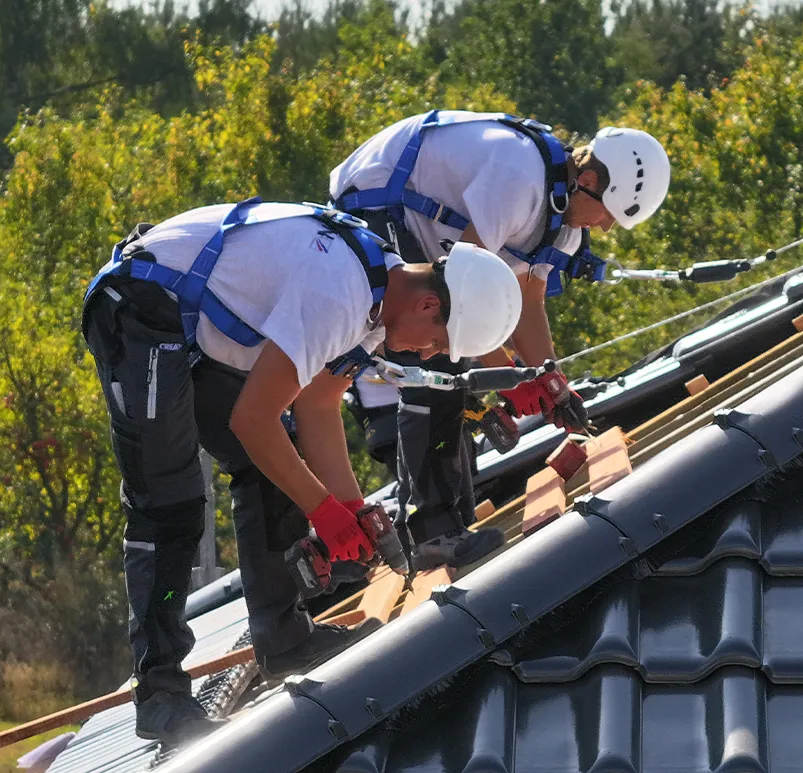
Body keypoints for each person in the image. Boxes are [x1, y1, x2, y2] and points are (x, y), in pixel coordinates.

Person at [80, 198, 522, 746]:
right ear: (430, 304)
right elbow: (251, 419)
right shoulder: (340, 293)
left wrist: (352, 510)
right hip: (140, 308)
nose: (425, 351)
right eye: (437, 342)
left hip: (186, 325)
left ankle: (284, 638)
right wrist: (323, 511)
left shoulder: (378, 300)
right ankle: (161, 695)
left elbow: (316, 407)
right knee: (169, 504)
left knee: (275, 464)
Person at [329, 110, 671, 571]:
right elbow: (463, 295)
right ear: (587, 178)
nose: (606, 228)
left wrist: (550, 381)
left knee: (456, 362)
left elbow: (528, 302)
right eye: (609, 213)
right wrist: (510, 377)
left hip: (435, 241)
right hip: (374, 200)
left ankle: (450, 522)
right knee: (438, 363)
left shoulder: (566, 225)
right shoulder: (519, 177)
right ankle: (434, 534)